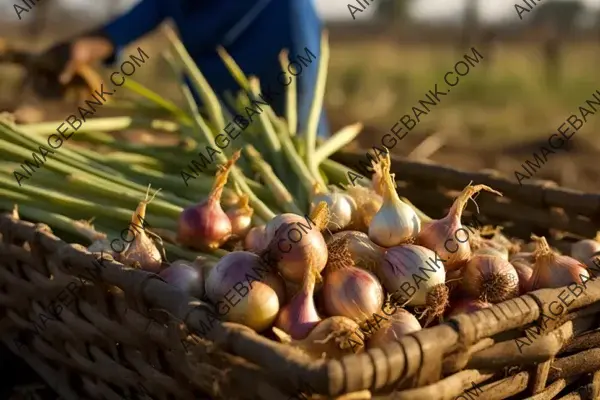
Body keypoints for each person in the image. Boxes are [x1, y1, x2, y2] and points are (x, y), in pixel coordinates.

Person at [49, 0, 330, 137]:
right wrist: (87, 46)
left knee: (297, 152)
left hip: (281, 53)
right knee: (223, 171)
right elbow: (149, 11)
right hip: (213, 92)